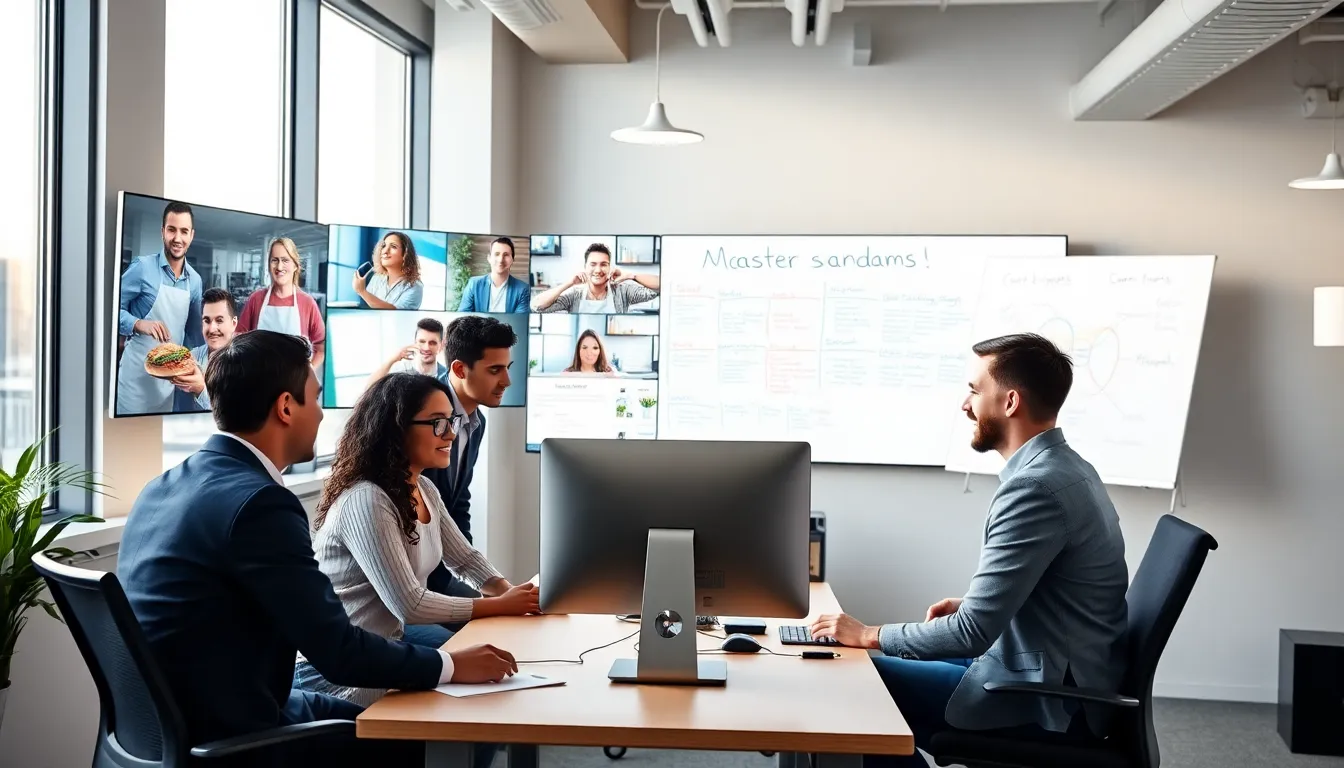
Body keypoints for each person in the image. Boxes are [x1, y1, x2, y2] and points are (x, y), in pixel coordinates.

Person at [117, 330, 518, 768]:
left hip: (168, 730)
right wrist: (453, 667)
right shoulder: (260, 505)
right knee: (425, 741)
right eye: (316, 397)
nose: (324, 413)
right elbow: (339, 652)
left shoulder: (161, 488)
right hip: (237, 733)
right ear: (286, 407)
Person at [809, 333, 1128, 767]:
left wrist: (869, 634)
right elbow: (1060, 588)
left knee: (846, 679)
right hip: (1051, 671)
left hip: (1042, 700)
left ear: (1010, 402)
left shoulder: (1034, 488)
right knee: (851, 669)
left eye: (975, 391)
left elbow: (970, 633)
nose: (965, 405)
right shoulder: (1069, 468)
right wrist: (975, 605)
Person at [294, 372, 540, 708]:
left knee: (488, 690)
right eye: (437, 423)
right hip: (338, 674)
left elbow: (465, 559)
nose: (451, 433)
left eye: (451, 420)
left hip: (382, 651)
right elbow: (408, 603)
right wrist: (498, 606)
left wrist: (508, 591)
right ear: (397, 429)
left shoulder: (423, 488)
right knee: (476, 705)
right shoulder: (367, 499)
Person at [418, 316, 517, 608]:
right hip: (408, 584)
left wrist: (476, 578)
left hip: (439, 575)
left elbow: (457, 502)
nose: (506, 381)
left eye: (507, 369)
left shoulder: (477, 422)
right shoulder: (421, 413)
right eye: (495, 370)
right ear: (460, 369)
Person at [115, 200, 204, 415]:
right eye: (172, 230)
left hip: (168, 383)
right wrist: (137, 323)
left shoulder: (195, 281)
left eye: (184, 231)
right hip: (134, 380)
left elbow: (193, 334)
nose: (177, 238)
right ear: (162, 232)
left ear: (191, 235)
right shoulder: (142, 268)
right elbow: (109, 312)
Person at [236, 237, 327, 370]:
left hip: (294, 384)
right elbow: (238, 340)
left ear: (295, 265)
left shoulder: (307, 303)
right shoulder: (256, 299)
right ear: (269, 265)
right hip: (258, 380)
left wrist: (309, 372)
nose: (279, 266)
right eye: (274, 260)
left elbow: (321, 346)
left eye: (285, 260)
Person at [531, 243, 659, 314]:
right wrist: (569, 283)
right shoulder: (574, 295)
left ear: (610, 267)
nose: (598, 270)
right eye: (593, 264)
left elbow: (659, 286)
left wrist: (631, 276)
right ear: (585, 267)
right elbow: (536, 306)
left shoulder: (622, 291)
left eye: (604, 264)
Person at [171, 287, 237, 412]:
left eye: (219, 320)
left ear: (233, 324)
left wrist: (201, 389)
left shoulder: (247, 363)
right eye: (207, 320)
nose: (212, 329)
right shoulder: (193, 356)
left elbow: (235, 413)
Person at [366, 317, 450, 387]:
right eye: (422, 341)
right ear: (415, 342)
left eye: (433, 343)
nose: (426, 347)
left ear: (441, 345)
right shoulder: (401, 370)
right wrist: (393, 359)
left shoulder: (447, 376)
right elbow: (369, 388)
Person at [458, 236, 530, 313]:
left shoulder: (523, 289)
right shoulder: (474, 284)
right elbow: (463, 316)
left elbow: (519, 321)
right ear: (489, 258)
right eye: (497, 254)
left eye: (506, 255)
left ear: (512, 259)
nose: (500, 260)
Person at [354, 231, 424, 310]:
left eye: (393, 246)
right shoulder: (377, 278)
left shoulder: (415, 286)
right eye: (384, 246)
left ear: (405, 254)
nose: (385, 251)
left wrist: (362, 291)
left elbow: (396, 312)